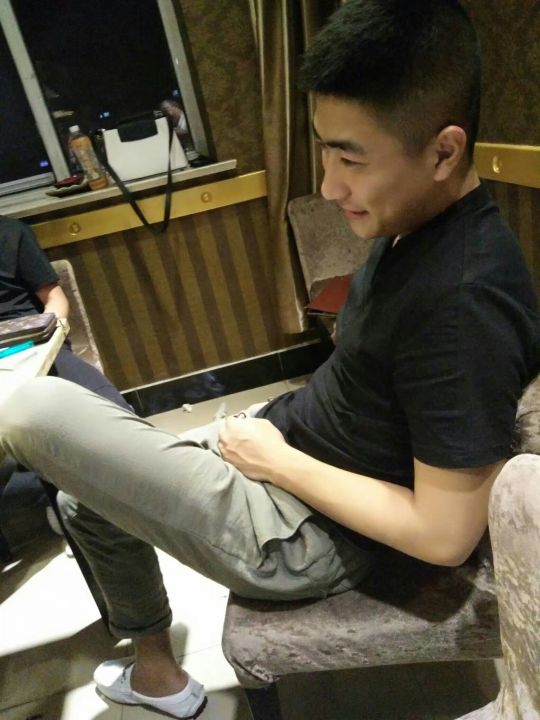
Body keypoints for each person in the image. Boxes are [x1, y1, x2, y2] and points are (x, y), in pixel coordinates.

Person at [1, 2, 539, 718]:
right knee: (81, 493)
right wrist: (271, 431)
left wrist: (276, 461)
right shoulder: (417, 228)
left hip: (300, 534)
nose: (330, 185)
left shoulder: (464, 301)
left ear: (444, 152)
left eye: (351, 159)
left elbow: (445, 536)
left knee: (29, 409)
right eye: (325, 152)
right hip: (290, 456)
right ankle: (158, 673)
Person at [0, 216, 132, 542]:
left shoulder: (10, 232)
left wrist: (48, 336)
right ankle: (62, 498)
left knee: (115, 413)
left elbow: (55, 300)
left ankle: (103, 503)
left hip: (34, 341)